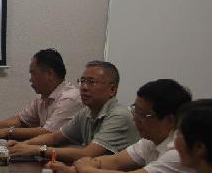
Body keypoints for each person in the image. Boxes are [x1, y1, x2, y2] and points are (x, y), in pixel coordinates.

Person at [48, 78, 193, 173]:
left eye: (143, 115)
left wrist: (86, 169)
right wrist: (70, 171)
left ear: (169, 121)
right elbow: (115, 162)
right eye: (135, 110)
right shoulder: (151, 140)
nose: (135, 119)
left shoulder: (178, 153)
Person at [8, 60, 138, 163]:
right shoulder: (86, 112)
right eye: (82, 81)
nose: (84, 87)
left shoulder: (118, 115)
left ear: (112, 89)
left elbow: (86, 154)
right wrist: (22, 145)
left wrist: (38, 150)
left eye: (91, 82)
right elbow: (55, 137)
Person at [0, 48, 82, 140]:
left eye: (33, 73)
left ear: (50, 74)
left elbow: (48, 133)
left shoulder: (70, 98)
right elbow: (22, 120)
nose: (30, 79)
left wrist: (8, 132)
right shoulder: (43, 97)